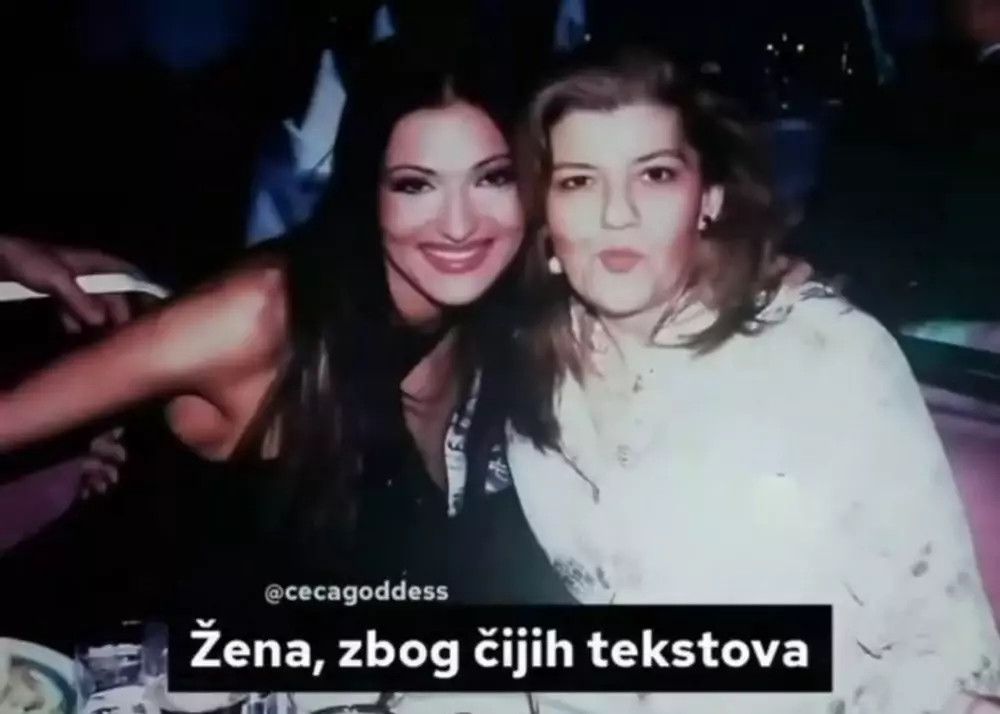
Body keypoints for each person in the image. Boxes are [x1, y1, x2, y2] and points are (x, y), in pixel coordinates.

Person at [500, 47, 1000, 712]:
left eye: (654, 174)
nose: (618, 214)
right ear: (544, 216)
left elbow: (946, 654)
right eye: (579, 181)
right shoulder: (531, 381)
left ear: (706, 199)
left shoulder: (822, 354)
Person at [0, 38, 571, 607]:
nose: (459, 225)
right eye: (414, 185)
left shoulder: (507, 315)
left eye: (493, 178)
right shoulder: (261, 315)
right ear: (367, 190)